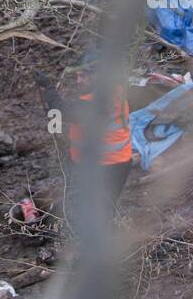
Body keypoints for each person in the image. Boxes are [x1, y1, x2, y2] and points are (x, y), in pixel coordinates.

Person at [37, 49, 133, 219]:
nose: (78, 81)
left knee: (99, 211)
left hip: (106, 166)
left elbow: (61, 111)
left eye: (83, 76)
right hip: (112, 162)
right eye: (78, 75)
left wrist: (48, 87)